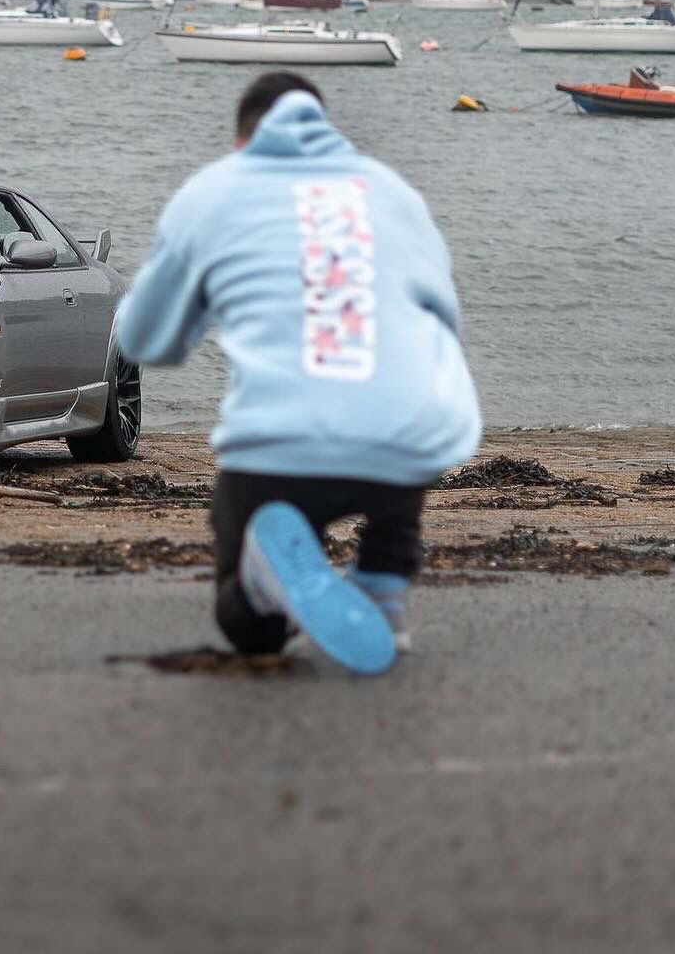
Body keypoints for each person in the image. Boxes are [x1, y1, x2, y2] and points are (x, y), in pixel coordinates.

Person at [116, 72, 481, 676]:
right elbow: (444, 323)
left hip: (279, 447)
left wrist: (209, 299)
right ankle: (384, 584)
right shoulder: (391, 190)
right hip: (412, 436)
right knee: (405, 403)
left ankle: (263, 590)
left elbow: (146, 339)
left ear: (242, 139)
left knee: (248, 629)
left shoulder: (215, 191)